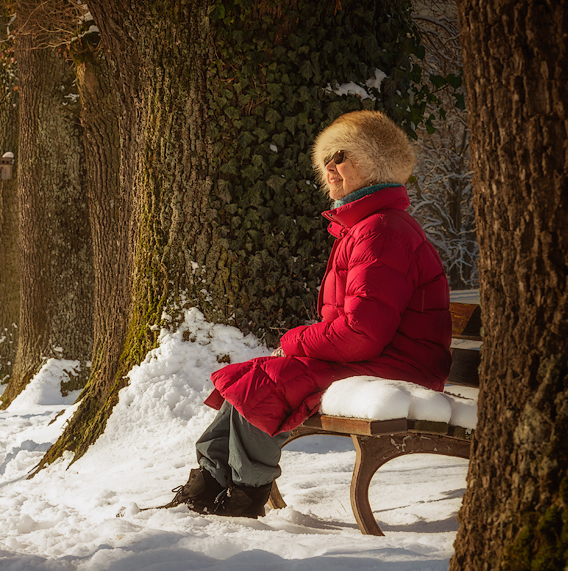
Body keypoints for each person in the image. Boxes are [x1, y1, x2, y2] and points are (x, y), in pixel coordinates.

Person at [166, 110, 452, 518]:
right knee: (251, 379)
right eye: (326, 160)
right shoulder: (366, 228)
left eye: (342, 155)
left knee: (270, 382)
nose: (330, 167)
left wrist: (294, 340)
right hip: (381, 358)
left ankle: (246, 497)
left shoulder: (381, 231)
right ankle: (208, 484)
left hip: (402, 367)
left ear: (374, 164)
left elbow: (361, 332)